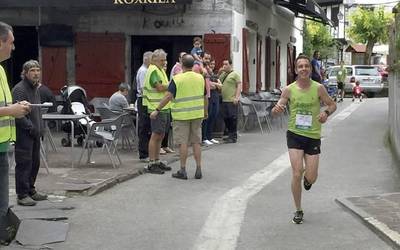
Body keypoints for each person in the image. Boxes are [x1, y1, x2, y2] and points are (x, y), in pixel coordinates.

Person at [272, 54, 337, 224]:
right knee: (296, 172)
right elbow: (279, 106)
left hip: (313, 136)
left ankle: (308, 180)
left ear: (310, 69)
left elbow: (332, 104)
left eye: (306, 66)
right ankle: (298, 209)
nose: (303, 69)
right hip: (294, 134)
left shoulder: (318, 88)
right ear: (295, 70)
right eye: (300, 66)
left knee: (312, 176)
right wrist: (276, 109)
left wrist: (326, 113)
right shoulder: (289, 89)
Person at [150, 54, 207, 179]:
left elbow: (168, 96)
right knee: (196, 142)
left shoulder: (177, 79)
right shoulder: (200, 78)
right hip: (197, 114)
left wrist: (157, 110)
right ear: (193, 65)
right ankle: (198, 169)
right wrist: (205, 111)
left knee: (183, 143)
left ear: (182, 64)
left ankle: (183, 170)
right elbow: (204, 95)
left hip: (181, 116)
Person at [0, 21, 30, 241]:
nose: (13, 47)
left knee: (2, 200)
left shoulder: (1, 70)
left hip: (2, 144)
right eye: (10, 43)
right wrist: (12, 110)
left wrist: (16, 108)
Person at [12, 60, 48, 206]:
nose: (36, 73)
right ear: (25, 73)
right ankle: (22, 194)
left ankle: (31, 190)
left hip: (35, 133)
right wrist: (31, 128)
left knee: (35, 163)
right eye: (32, 70)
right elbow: (18, 114)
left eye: (38, 70)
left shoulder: (36, 89)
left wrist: (40, 128)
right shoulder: (19, 89)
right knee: (24, 163)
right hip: (24, 134)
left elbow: (36, 111)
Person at [142, 49, 172, 174]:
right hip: (156, 107)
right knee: (155, 135)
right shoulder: (153, 70)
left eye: (165, 59)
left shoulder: (159, 70)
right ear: (154, 60)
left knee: (161, 135)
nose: (164, 62)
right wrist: (171, 84)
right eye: (162, 60)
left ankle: (157, 160)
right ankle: (152, 163)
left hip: (163, 107)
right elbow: (159, 87)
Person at [220, 59, 242, 143]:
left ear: (230, 65)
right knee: (226, 118)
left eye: (226, 64)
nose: (224, 66)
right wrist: (219, 72)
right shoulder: (223, 74)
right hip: (224, 99)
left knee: (232, 118)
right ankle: (229, 134)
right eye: (223, 64)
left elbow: (239, 85)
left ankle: (233, 136)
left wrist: (237, 97)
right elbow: (219, 82)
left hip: (231, 100)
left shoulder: (235, 74)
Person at [202, 55, 222, 145]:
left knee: (213, 116)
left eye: (213, 64)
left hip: (215, 96)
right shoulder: (204, 72)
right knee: (207, 117)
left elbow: (220, 86)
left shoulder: (214, 74)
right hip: (209, 97)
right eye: (211, 64)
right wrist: (216, 85)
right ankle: (204, 137)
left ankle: (210, 136)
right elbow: (209, 85)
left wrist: (216, 85)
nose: (212, 65)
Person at [136, 51, 153, 162]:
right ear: (146, 59)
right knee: (144, 127)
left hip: (146, 99)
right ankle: (143, 153)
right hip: (143, 99)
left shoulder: (148, 70)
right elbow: (143, 88)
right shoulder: (143, 71)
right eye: (152, 59)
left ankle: (148, 151)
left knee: (147, 127)